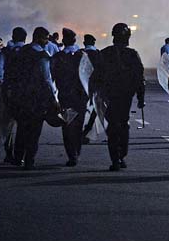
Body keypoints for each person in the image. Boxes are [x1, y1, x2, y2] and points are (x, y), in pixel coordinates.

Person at [90, 23, 145, 171]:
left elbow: (95, 77)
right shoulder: (132, 54)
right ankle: (120, 155)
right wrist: (141, 97)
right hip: (124, 97)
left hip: (109, 96)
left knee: (113, 126)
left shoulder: (104, 53)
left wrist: (93, 94)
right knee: (122, 124)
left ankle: (116, 158)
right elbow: (140, 78)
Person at [8, 26, 60, 169]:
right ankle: (29, 160)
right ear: (39, 38)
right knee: (34, 130)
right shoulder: (42, 55)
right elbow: (47, 79)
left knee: (22, 127)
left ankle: (18, 157)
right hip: (37, 98)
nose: (47, 41)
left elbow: (12, 73)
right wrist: (54, 98)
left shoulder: (21, 52)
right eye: (45, 38)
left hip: (21, 96)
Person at [51, 28, 89, 167]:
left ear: (64, 41)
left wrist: (53, 96)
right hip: (80, 97)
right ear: (74, 40)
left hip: (65, 96)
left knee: (67, 126)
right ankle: (76, 152)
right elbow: (89, 76)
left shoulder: (58, 57)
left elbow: (52, 77)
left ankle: (71, 154)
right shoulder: (83, 56)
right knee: (78, 125)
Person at [0, 27, 28, 164]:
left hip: (9, 91)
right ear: (25, 38)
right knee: (23, 124)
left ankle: (9, 153)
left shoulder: (5, 51)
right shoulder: (29, 52)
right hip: (25, 93)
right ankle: (19, 155)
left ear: (13, 37)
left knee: (7, 124)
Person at [81, 34, 100, 144]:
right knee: (94, 109)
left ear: (84, 43)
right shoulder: (98, 54)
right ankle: (87, 129)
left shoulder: (80, 53)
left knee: (81, 108)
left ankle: (78, 130)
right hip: (95, 85)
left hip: (81, 85)